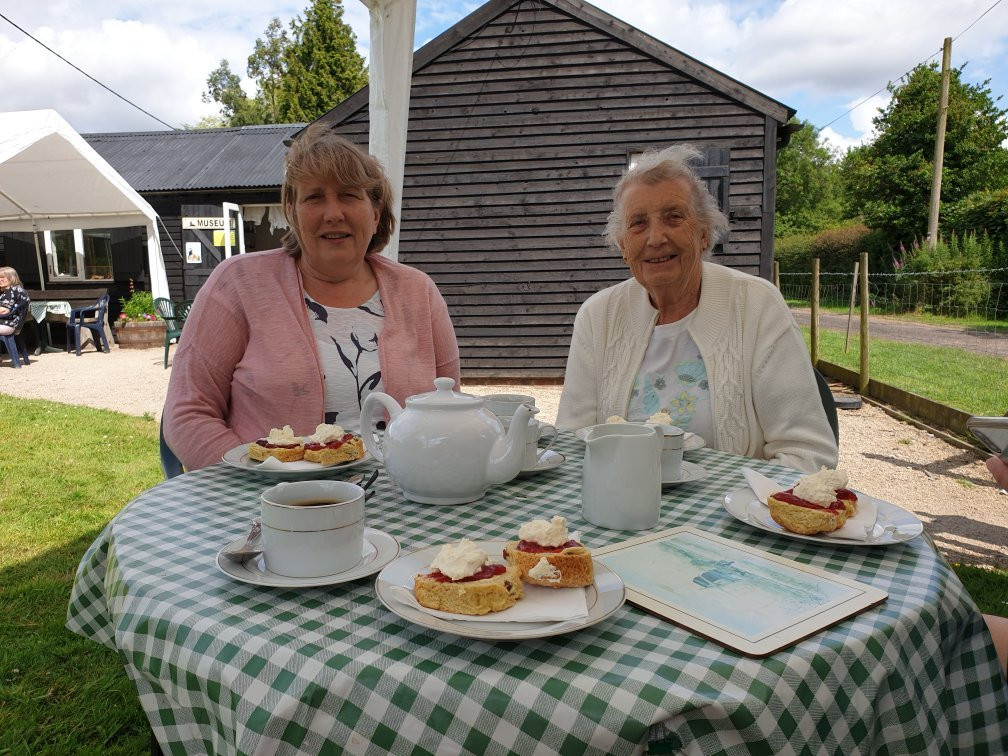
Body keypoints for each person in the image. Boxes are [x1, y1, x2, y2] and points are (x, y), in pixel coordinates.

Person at [163, 124, 461, 470]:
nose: (332, 213)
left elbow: (450, 406)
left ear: (375, 212)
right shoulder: (238, 283)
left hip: (407, 495)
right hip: (271, 501)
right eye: (314, 197)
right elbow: (187, 412)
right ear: (292, 211)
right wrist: (255, 482)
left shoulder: (418, 291)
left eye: (349, 195)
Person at [557, 144, 837, 473]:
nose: (656, 237)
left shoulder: (756, 305)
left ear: (704, 234)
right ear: (622, 246)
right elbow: (572, 441)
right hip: (620, 506)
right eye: (638, 223)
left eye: (674, 217)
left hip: (730, 513)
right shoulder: (598, 315)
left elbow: (808, 454)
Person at [0, 266, 30, 336]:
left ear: (12, 278)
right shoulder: (18, 289)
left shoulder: (11, 291)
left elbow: (4, 311)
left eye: (3, 277)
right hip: (13, 325)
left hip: (6, 324)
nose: (0, 280)